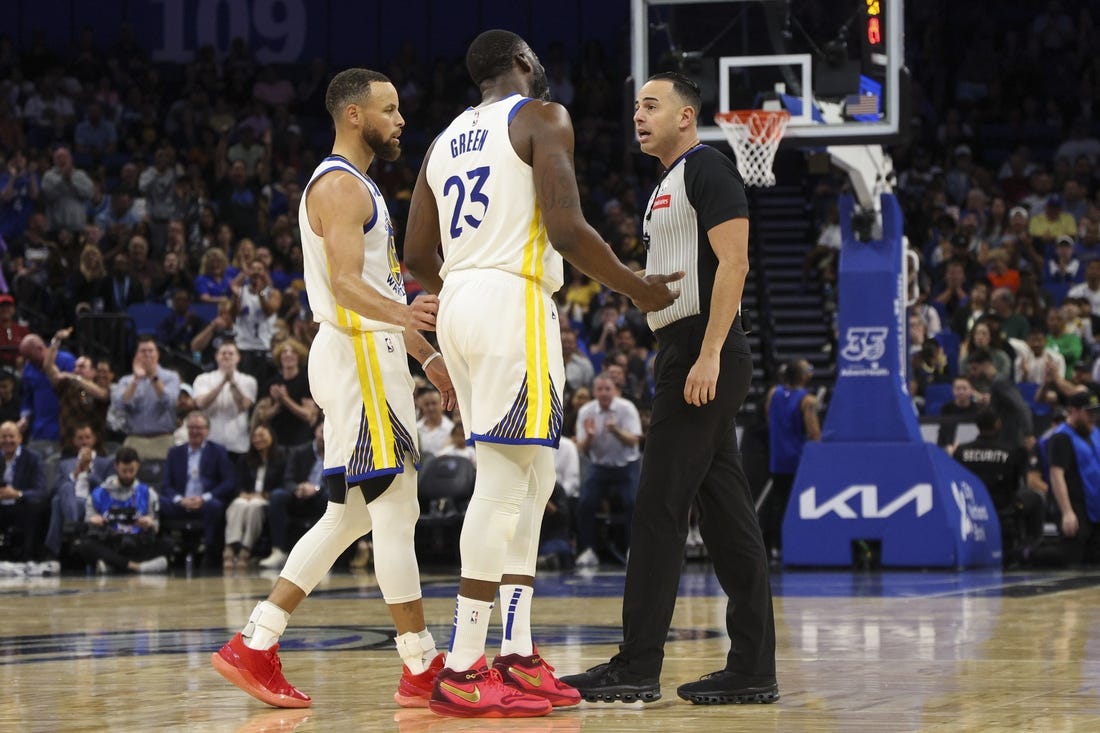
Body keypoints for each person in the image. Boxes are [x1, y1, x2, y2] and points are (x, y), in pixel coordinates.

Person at [404, 30, 680, 717]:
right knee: (503, 481)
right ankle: (464, 664)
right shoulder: (541, 117)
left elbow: (415, 253)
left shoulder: (442, 141)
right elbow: (566, 229)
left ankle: (517, 651)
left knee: (536, 474)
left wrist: (465, 285)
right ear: (524, 63)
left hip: (463, 299)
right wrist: (637, 286)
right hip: (510, 300)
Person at [212, 68, 452, 711]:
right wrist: (405, 322)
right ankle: (421, 667)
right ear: (354, 115)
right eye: (390, 109)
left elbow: (382, 292)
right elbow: (349, 285)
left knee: (350, 515)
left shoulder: (356, 184)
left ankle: (256, 642)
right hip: (360, 354)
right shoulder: (342, 186)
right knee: (397, 512)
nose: (401, 120)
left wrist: (426, 358)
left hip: (364, 353)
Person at [558, 71, 778, 706]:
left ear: (687, 116)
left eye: (651, 105)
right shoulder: (666, 183)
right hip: (681, 349)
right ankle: (753, 669)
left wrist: (707, 354)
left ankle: (636, 665)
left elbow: (733, 263)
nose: (639, 115)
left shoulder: (708, 168)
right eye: (635, 107)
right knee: (729, 519)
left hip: (702, 350)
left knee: (658, 508)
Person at [951, 410, 1044, 563]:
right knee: (1036, 498)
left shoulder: (960, 452)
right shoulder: (1013, 452)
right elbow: (1017, 483)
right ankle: (1029, 547)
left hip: (972, 506)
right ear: (997, 424)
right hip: (1002, 506)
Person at [573, 373, 642, 567]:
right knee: (585, 503)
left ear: (615, 390)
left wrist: (616, 431)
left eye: (607, 389)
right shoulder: (586, 411)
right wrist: (589, 436)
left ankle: (633, 549)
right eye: (600, 389)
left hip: (626, 465)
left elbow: (635, 440)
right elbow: (582, 449)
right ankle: (587, 550)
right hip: (600, 466)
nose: (603, 393)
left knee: (632, 503)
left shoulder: (626, 408)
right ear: (594, 392)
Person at [71, 447, 172, 574]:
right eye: (124, 471)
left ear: (138, 467)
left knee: (167, 544)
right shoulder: (99, 493)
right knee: (85, 545)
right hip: (110, 541)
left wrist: (150, 523)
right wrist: (93, 520)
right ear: (116, 467)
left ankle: (112, 565)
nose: (128, 475)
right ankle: (136, 567)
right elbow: (88, 521)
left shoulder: (148, 493)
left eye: (132, 471)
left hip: (137, 541)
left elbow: (156, 526)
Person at [762, 359, 820, 558]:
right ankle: (792, 546)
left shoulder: (773, 394)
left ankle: (772, 546)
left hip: (778, 456)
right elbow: (814, 433)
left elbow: (770, 420)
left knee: (777, 502)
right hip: (798, 460)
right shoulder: (808, 401)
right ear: (804, 376)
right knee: (797, 504)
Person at [159, 411, 236, 562]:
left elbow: (228, 482)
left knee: (216, 505)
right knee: (159, 502)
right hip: (181, 502)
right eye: (191, 427)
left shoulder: (218, 451)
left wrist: (203, 498)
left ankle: (209, 551)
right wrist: (180, 499)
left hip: (205, 501)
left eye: (199, 428)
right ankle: (165, 551)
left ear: (207, 430)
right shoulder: (175, 452)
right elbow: (166, 485)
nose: (195, 431)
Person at [257, 420, 328, 570]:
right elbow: (288, 479)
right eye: (322, 431)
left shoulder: (339, 454)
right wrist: (299, 487)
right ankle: (279, 550)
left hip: (321, 497)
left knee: (330, 497)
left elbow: (340, 482)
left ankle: (324, 556)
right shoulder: (300, 451)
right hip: (299, 496)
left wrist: (315, 489)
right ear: (315, 432)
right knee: (277, 496)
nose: (325, 436)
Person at [43, 423, 114, 559]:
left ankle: (53, 551)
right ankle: (73, 528)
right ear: (75, 441)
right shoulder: (65, 464)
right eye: (80, 438)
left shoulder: (105, 463)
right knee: (64, 490)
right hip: (69, 500)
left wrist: (88, 471)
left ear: (94, 439)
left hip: (91, 503)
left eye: (87, 437)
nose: (84, 442)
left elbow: (107, 489)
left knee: (57, 502)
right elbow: (55, 489)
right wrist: (75, 474)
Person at [1046, 391, 1100, 565]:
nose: (1093, 417)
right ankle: (1027, 553)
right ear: (1073, 411)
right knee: (1070, 557)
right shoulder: (1061, 437)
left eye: (1095, 412)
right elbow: (1056, 475)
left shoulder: (1095, 433)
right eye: (1088, 412)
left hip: (1094, 503)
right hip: (1075, 503)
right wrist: (1067, 512)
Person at [224, 424, 284, 569]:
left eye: (262, 435)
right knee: (238, 504)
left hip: (266, 499)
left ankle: (246, 549)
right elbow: (237, 482)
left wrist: (265, 495)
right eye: (255, 436)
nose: (258, 439)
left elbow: (283, 483)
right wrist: (242, 493)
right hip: (248, 497)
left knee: (254, 507)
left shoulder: (282, 457)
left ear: (272, 437)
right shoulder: (245, 459)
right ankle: (230, 547)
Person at [114, 336, 181, 461]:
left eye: (150, 351)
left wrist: (153, 377)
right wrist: (136, 380)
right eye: (143, 351)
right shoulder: (126, 380)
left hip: (163, 439)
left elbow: (170, 402)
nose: (147, 355)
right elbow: (120, 405)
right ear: (136, 355)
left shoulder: (171, 377)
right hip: (135, 439)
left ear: (157, 354)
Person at [192, 341, 257, 460]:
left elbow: (244, 406)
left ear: (238, 358)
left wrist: (233, 385)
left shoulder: (248, 381)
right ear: (216, 357)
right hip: (210, 442)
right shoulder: (203, 379)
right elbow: (201, 403)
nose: (226, 356)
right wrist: (222, 384)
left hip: (238, 443)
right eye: (223, 353)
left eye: (231, 354)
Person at [0, 420, 48, 560]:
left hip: (21, 505)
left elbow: (40, 491)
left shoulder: (33, 458)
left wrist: (17, 494)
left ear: (20, 438)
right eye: (3, 436)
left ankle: (27, 557)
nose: (7, 440)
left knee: (33, 508)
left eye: (11, 436)